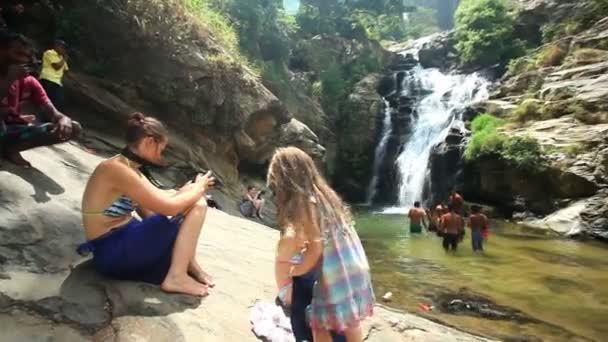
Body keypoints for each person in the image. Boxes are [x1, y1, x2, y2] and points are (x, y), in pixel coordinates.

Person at [79, 112, 215, 297]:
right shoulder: (115, 169)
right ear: (149, 142)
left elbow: (151, 211)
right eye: (161, 149)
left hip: (121, 248)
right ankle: (177, 277)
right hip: (112, 252)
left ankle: (188, 266)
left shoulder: (130, 170)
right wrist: (198, 188)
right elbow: (168, 208)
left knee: (182, 213)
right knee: (198, 204)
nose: (161, 156)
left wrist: (184, 195)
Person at [267, 147, 374, 342]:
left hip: (333, 272)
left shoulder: (306, 202)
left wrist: (296, 271)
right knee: (351, 321)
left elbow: (315, 248)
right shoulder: (326, 196)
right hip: (353, 265)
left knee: (319, 323)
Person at [0, 31, 80, 167]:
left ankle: (9, 149)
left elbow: (53, 112)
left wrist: (63, 119)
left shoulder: (29, 81)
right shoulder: (49, 54)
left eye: (26, 56)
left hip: (8, 131)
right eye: (17, 54)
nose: (23, 60)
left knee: (73, 128)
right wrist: (9, 79)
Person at [39, 39, 69, 111]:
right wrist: (64, 58)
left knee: (58, 102)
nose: (64, 50)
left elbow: (66, 70)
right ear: (57, 46)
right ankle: (43, 119)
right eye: (62, 47)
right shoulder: (49, 53)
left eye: (64, 48)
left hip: (56, 82)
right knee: (48, 101)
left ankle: (50, 118)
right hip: (48, 79)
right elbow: (56, 67)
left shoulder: (61, 57)